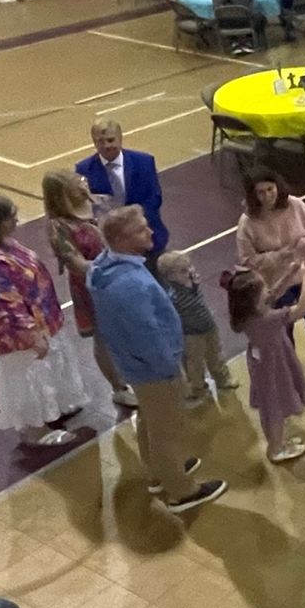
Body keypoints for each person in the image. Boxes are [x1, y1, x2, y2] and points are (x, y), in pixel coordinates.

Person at [89, 205, 227, 512]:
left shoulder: (103, 267)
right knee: (167, 429)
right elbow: (147, 335)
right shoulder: (130, 286)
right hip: (154, 369)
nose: (150, 232)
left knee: (150, 420)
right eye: (141, 229)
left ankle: (158, 471)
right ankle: (181, 491)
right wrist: (170, 366)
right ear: (121, 240)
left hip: (134, 365)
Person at [0, 194, 111, 448]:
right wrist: (31, 334)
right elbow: (4, 306)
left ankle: (56, 409)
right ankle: (35, 430)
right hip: (20, 335)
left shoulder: (4, 243)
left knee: (49, 370)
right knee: (30, 380)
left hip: (43, 320)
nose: (17, 220)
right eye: (11, 216)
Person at [41, 171, 135, 406]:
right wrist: (112, 267)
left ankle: (135, 369)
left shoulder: (99, 202)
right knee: (104, 336)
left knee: (128, 327)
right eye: (76, 185)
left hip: (123, 274)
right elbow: (76, 263)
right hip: (94, 285)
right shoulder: (59, 226)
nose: (83, 185)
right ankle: (118, 387)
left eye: (82, 180)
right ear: (62, 195)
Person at [234, 171, 305, 375]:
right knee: (283, 322)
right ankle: (290, 361)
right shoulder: (247, 222)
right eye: (260, 192)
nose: (267, 196)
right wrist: (282, 255)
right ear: (252, 194)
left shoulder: (295, 205)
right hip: (276, 282)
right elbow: (247, 259)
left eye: (270, 189)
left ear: (278, 187)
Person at [222, 265, 305, 464]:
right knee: (273, 409)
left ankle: (278, 442)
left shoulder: (248, 314)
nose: (268, 290)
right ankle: (276, 449)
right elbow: (303, 307)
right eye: (263, 288)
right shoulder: (267, 318)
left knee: (272, 405)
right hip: (272, 366)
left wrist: (289, 273)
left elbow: (273, 293)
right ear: (255, 299)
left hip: (265, 362)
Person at [74, 120, 167, 257]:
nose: (106, 146)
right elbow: (85, 208)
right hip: (112, 247)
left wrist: (131, 225)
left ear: (120, 138)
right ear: (94, 142)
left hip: (147, 240)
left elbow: (154, 199)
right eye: (100, 141)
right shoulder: (84, 169)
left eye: (111, 140)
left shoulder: (144, 162)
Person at [154, 249, 234, 403]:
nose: (190, 271)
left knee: (215, 354)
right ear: (170, 277)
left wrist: (194, 283)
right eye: (183, 271)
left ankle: (222, 379)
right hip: (192, 334)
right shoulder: (174, 296)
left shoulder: (193, 283)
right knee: (195, 364)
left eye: (190, 267)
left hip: (208, 326)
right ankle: (198, 388)